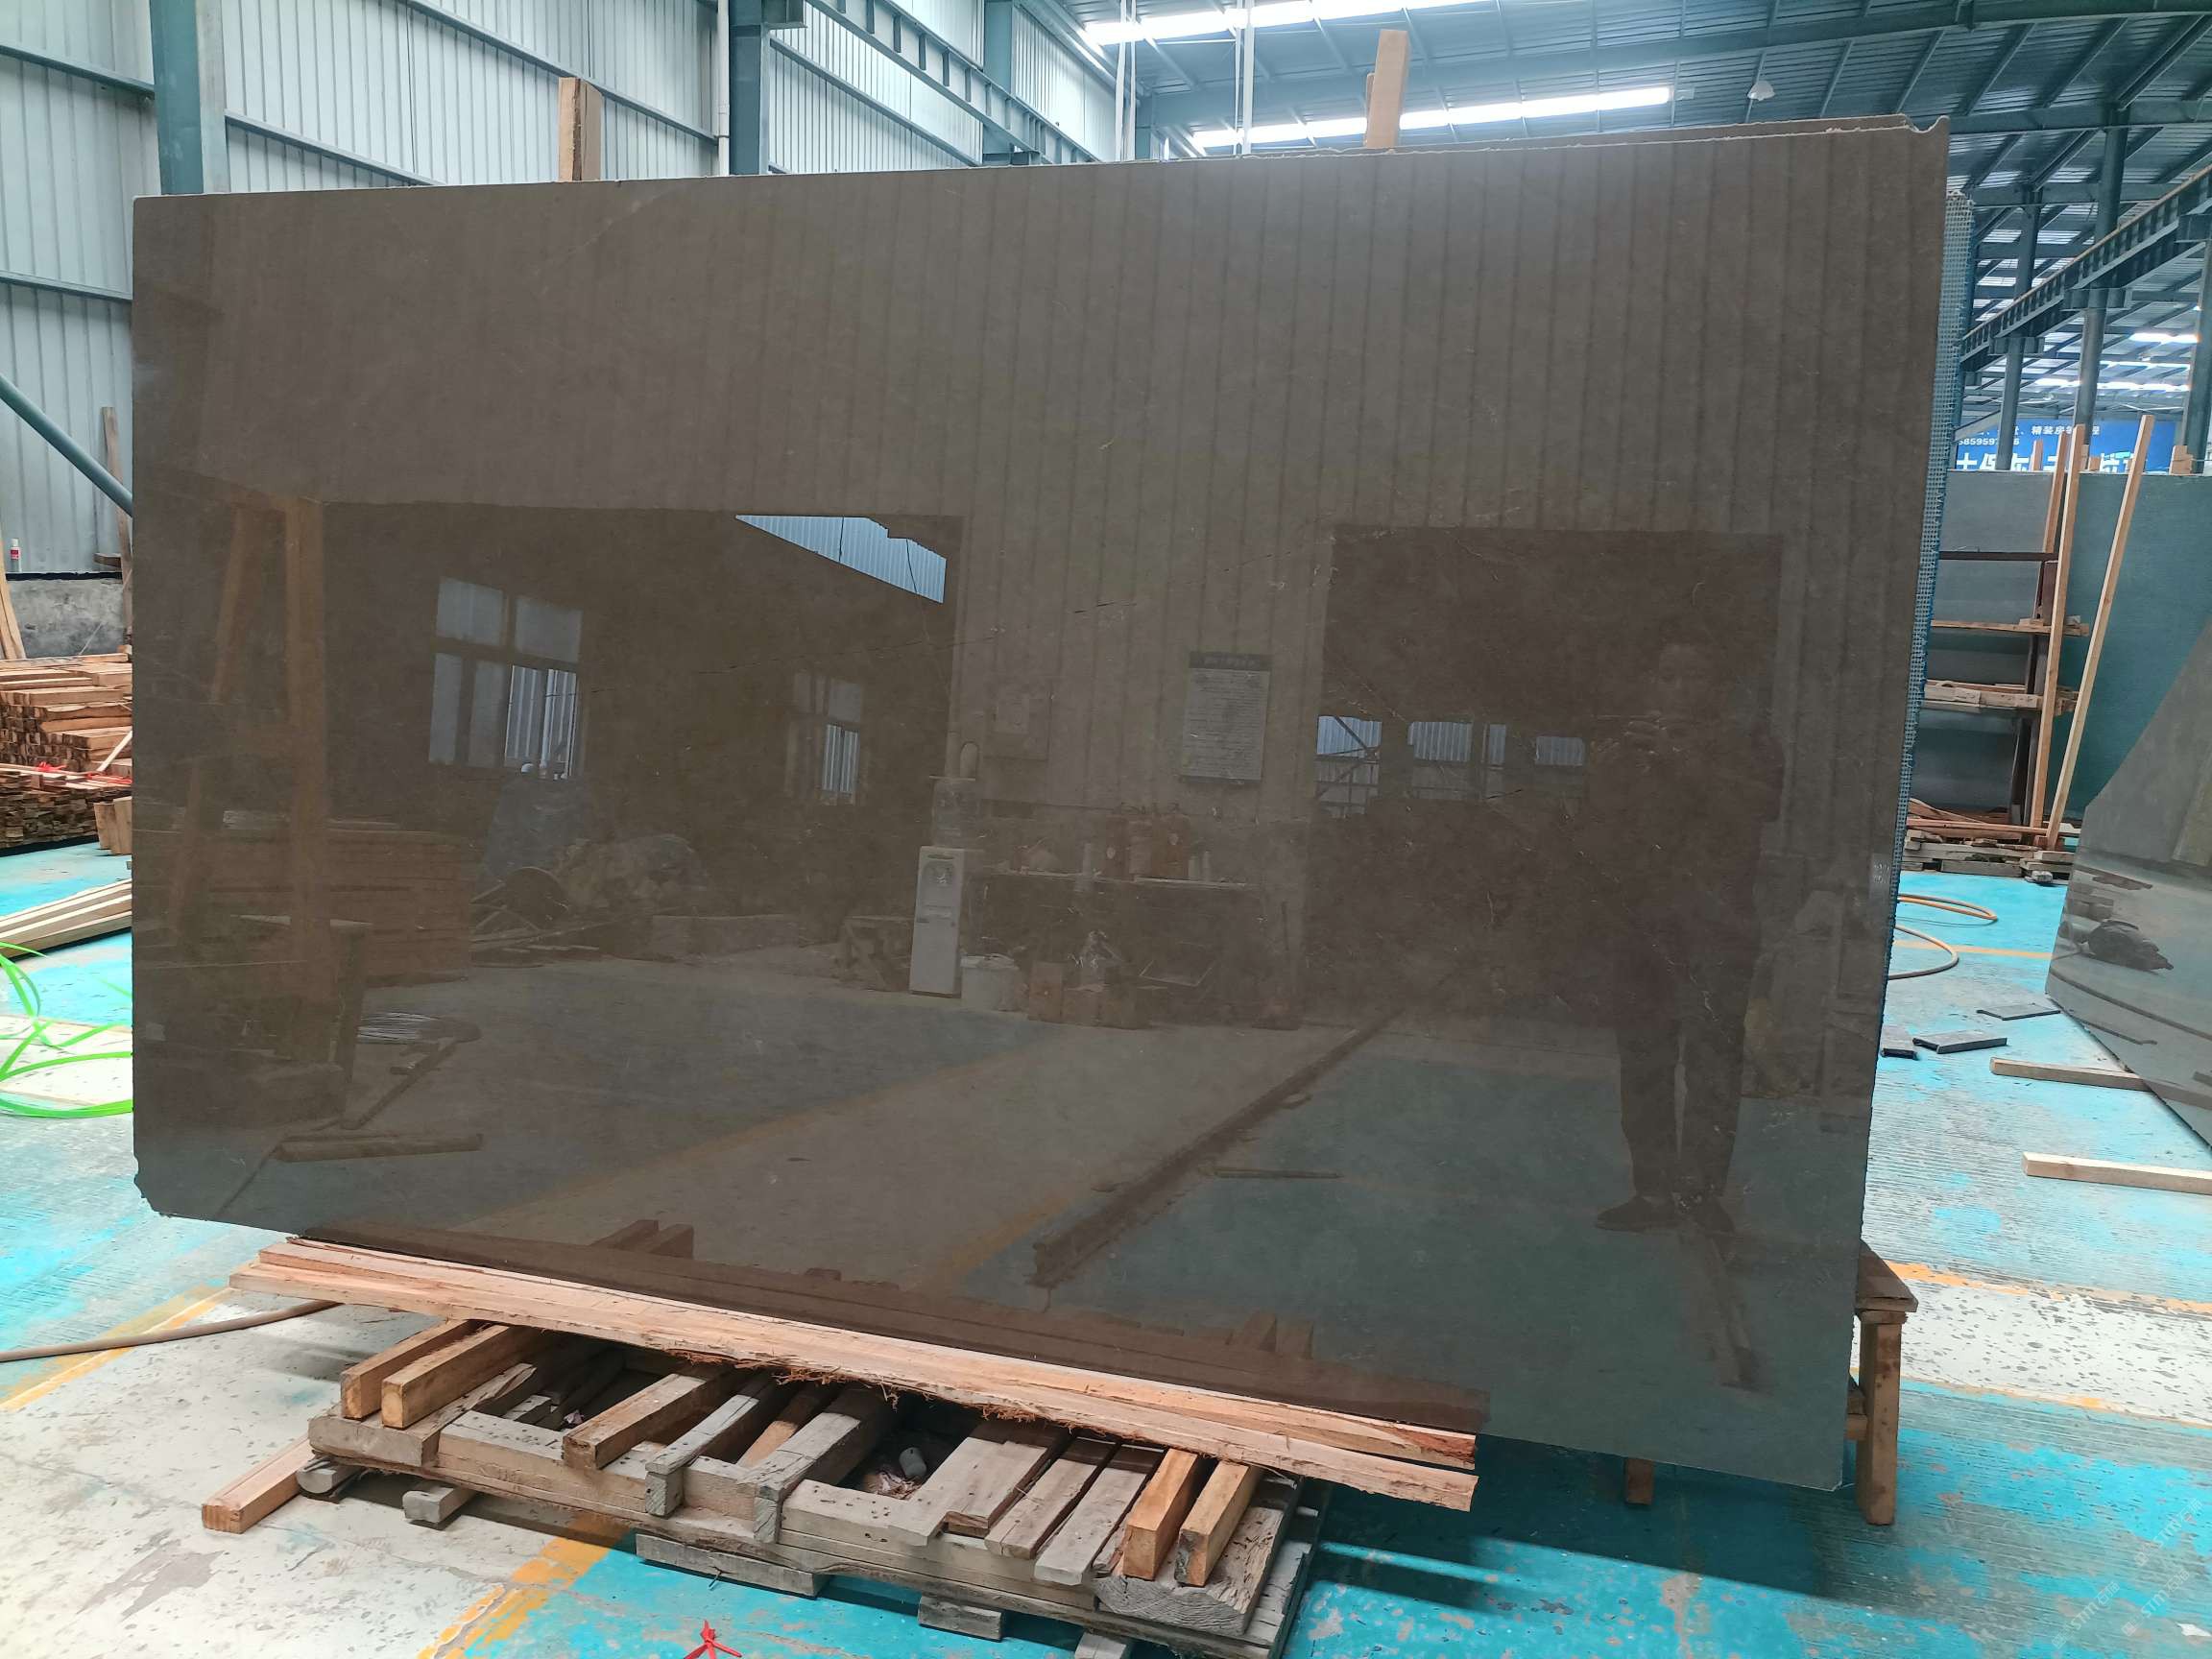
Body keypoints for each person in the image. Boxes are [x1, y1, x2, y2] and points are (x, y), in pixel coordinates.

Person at [1579, 637, 1778, 1237]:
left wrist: (1682, 760)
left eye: (1694, 677)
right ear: (1651, 684)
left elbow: (1759, 808)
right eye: (1667, 677)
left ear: (1717, 687)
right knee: (1643, 1060)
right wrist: (1611, 768)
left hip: (1718, 926)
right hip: (1644, 926)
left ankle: (1700, 1196)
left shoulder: (1748, 743)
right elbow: (1601, 833)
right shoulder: (1632, 751)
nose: (1679, 689)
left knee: (1713, 1062)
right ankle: (1653, 1192)